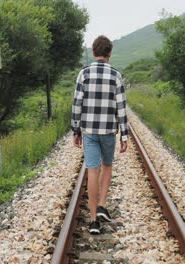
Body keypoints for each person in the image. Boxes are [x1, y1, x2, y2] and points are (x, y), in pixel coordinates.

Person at [71, 35, 129, 234]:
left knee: (92, 171)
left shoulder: (84, 73)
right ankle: (102, 204)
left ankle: (94, 220)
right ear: (109, 53)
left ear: (94, 52)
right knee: (107, 166)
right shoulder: (116, 75)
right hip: (108, 131)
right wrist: (124, 135)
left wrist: (75, 129)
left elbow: (77, 104)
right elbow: (121, 107)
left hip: (89, 131)